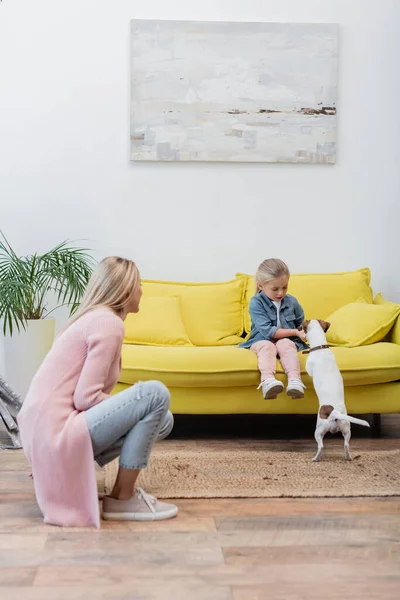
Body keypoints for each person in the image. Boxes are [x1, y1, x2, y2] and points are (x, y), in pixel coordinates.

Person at [17, 256, 178, 527]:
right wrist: (130, 408)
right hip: (58, 433)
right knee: (154, 394)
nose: (141, 290)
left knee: (163, 420)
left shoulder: (95, 319)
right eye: (138, 284)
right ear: (125, 290)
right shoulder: (108, 323)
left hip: (45, 436)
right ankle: (123, 499)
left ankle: (91, 478)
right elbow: (86, 398)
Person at [240, 258, 308, 400]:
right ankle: (268, 381)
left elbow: (300, 323)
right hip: (261, 340)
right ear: (260, 286)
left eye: (284, 287)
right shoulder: (256, 303)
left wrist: (304, 333)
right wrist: (295, 332)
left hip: (286, 341)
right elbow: (268, 331)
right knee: (267, 345)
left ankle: (295, 381)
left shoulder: (292, 301)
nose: (280, 293)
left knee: (287, 343)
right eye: (275, 289)